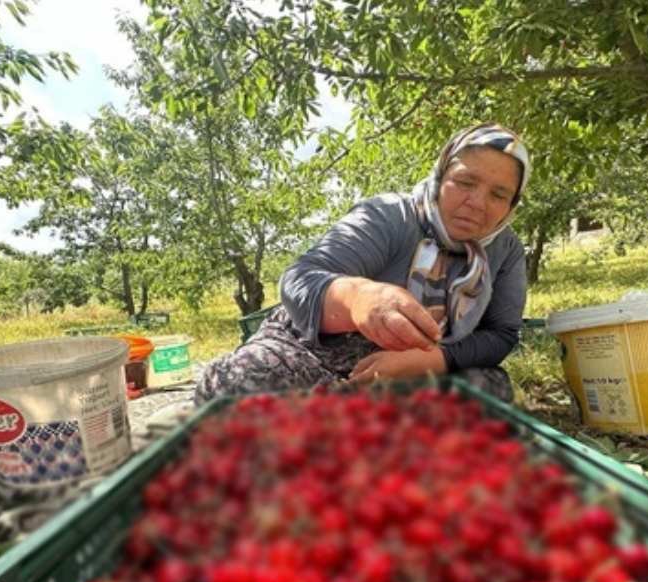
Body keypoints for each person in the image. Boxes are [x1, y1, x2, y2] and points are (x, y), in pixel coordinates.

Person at [196, 122, 529, 403]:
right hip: (317, 351)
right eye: (465, 182)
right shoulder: (389, 216)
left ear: (512, 203)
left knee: (490, 387)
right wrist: (357, 298)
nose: (477, 203)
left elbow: (500, 334)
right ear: (442, 176)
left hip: (413, 364)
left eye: (498, 194)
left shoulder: (505, 249)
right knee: (244, 381)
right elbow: (300, 279)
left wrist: (429, 360)